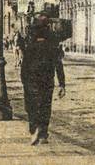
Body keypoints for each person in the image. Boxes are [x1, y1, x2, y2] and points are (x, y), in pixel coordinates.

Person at [20, 14, 66, 146]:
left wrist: (24, 81)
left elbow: (24, 65)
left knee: (32, 106)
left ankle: (34, 129)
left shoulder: (30, 45)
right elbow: (58, 65)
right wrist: (62, 84)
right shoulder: (52, 46)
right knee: (46, 106)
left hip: (31, 80)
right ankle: (43, 134)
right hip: (47, 80)